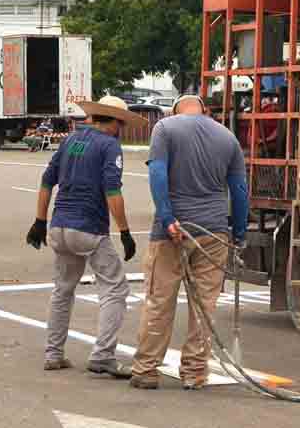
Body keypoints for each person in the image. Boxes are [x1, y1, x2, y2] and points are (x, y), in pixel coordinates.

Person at [130, 95, 249, 391]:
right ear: (205, 110)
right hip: (215, 231)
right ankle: (195, 372)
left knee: (160, 299)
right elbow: (239, 190)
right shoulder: (227, 137)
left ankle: (146, 369)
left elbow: (157, 174)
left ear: (174, 110)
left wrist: (168, 217)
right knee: (204, 305)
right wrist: (239, 231)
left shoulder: (165, 128)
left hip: (173, 230)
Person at [26, 95, 147, 378]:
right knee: (115, 289)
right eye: (122, 123)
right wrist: (125, 232)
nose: (122, 129)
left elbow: (46, 181)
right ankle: (103, 355)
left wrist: (39, 221)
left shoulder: (71, 140)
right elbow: (112, 191)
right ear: (115, 123)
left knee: (63, 290)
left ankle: (53, 354)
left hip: (58, 227)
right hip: (89, 228)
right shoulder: (109, 145)